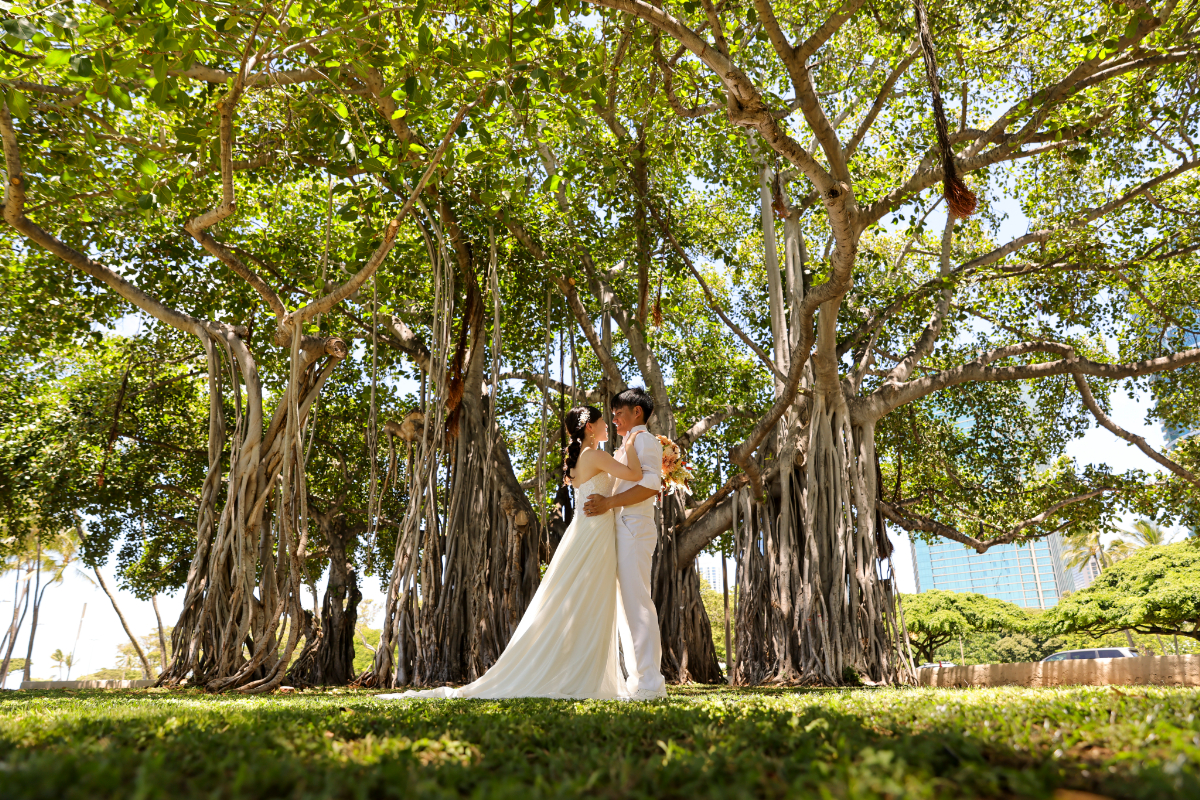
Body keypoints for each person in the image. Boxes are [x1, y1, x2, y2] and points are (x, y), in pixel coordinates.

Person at [377, 405, 643, 700]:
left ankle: (580, 672)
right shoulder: (596, 455)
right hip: (595, 536)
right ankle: (583, 675)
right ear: (590, 427)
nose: (609, 425)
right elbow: (634, 474)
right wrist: (630, 443)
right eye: (604, 421)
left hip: (585, 533)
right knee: (592, 601)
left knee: (584, 600)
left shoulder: (583, 457)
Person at [582, 387, 666, 701]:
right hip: (621, 527)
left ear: (637, 413)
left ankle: (650, 683)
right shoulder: (629, 443)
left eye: (619, 412)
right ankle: (638, 680)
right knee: (625, 606)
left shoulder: (644, 440)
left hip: (634, 526)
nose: (614, 418)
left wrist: (610, 502)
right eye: (613, 413)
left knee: (637, 603)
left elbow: (649, 486)